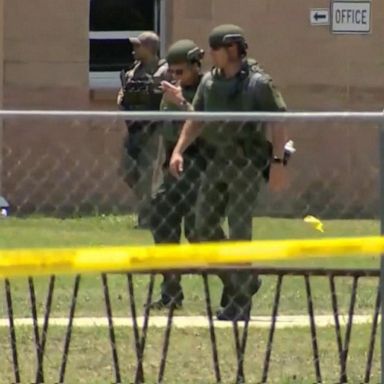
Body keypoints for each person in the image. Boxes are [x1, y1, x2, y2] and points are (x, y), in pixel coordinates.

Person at [169, 25, 289, 321]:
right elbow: (197, 119)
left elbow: (279, 122)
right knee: (201, 229)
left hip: (245, 165)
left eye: (215, 49)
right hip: (216, 164)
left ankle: (240, 302)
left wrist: (278, 163)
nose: (210, 55)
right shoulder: (209, 83)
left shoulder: (257, 83)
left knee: (239, 232)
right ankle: (245, 281)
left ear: (231, 50)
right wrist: (178, 150)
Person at [148, 39, 209, 309]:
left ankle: (238, 282)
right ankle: (170, 292)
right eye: (172, 72)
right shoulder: (172, 91)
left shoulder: (209, 88)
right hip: (172, 165)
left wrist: (182, 102)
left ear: (197, 66)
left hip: (201, 164)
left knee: (200, 233)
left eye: (181, 71)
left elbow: (206, 125)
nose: (176, 77)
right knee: (162, 222)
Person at [117, 31, 169, 229]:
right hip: (133, 129)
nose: (134, 49)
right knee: (128, 171)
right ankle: (151, 207)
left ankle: (147, 219)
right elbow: (122, 95)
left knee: (147, 175)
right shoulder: (133, 71)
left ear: (149, 48)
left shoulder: (163, 71)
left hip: (153, 129)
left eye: (138, 46)